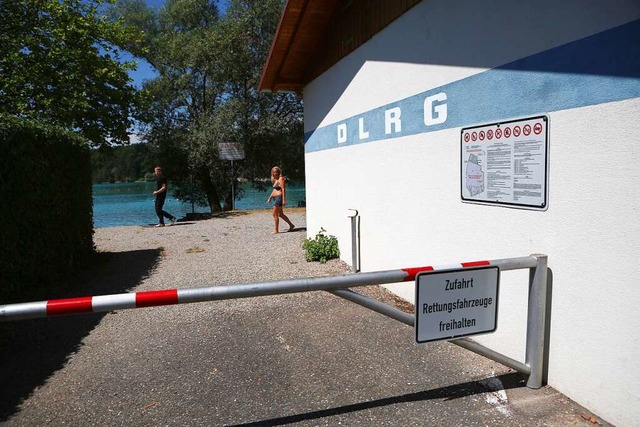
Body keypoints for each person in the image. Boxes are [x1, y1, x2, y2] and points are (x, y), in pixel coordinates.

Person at [266, 166, 295, 234]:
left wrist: (284, 200)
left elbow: (283, 189)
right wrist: (269, 198)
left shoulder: (281, 179)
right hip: (275, 197)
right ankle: (291, 225)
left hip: (279, 197)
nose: (274, 173)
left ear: (278, 172)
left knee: (274, 214)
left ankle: (276, 230)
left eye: (276, 172)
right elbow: (274, 190)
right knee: (280, 214)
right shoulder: (275, 180)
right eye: (273, 172)